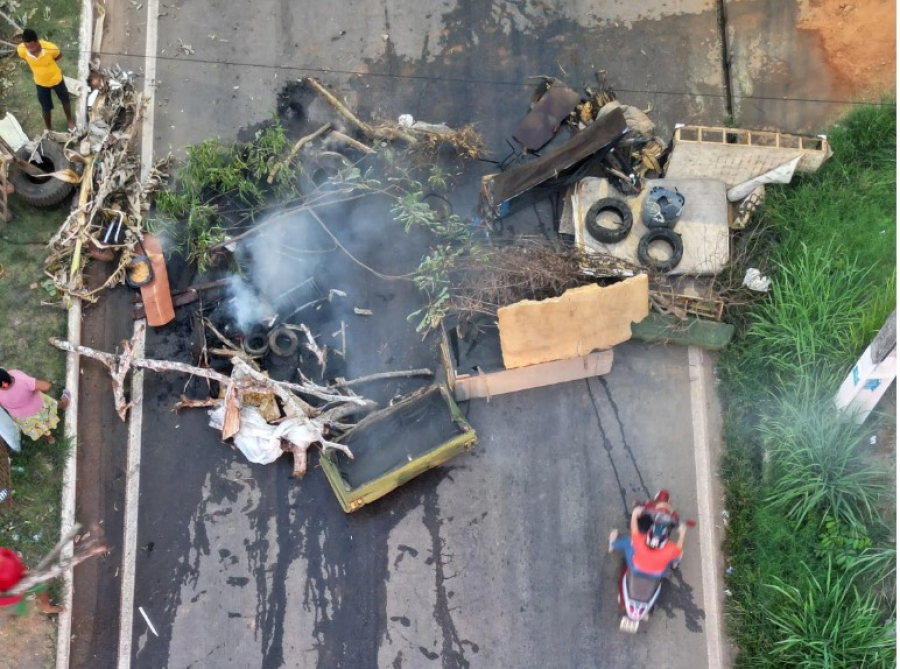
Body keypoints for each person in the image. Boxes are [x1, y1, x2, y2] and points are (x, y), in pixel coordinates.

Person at [16, 28, 75, 132]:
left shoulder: (51, 48)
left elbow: (58, 56)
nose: (31, 50)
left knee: (65, 100)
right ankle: (49, 128)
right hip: (40, 83)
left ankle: (69, 120)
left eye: (33, 46)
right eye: (28, 47)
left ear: (37, 41)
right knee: (46, 108)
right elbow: (24, 58)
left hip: (56, 79)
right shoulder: (21, 50)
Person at [608, 502, 687, 577]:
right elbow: (679, 547)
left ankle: (612, 544)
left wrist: (635, 514)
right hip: (657, 574)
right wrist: (682, 534)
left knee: (628, 541)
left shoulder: (639, 541)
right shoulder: (670, 549)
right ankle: (674, 565)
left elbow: (634, 528)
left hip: (636, 568)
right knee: (679, 552)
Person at [0, 369, 69, 444]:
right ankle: (64, 404)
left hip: (22, 417)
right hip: (38, 406)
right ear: (9, 375)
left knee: (37, 428)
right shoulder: (18, 377)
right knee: (51, 406)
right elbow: (46, 386)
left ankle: (50, 439)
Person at [0, 547, 63, 614]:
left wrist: (22, 570)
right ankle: (51, 608)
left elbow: (8, 554)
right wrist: (16, 597)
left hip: (23, 576)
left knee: (41, 586)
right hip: (18, 589)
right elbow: (2, 599)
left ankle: (46, 606)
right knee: (36, 606)